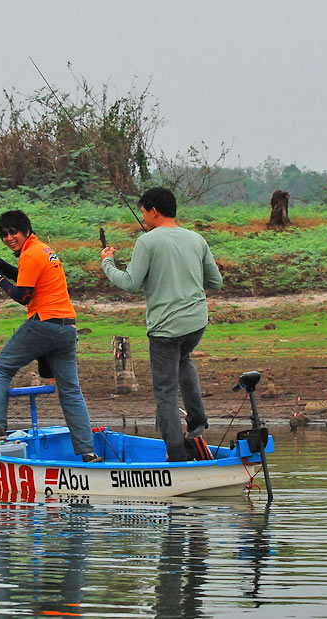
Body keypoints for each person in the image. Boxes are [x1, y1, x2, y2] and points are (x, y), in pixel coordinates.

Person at [100, 187, 223, 462]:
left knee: (165, 391)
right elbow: (215, 282)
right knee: (183, 360)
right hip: (196, 324)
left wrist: (107, 263)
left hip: (165, 329)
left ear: (153, 210)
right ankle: (198, 422)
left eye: (144, 213)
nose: (143, 218)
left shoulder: (148, 242)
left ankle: (177, 454)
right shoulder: (196, 239)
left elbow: (130, 283)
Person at [0, 210, 101, 463]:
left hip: (43, 323)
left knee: (1, 368)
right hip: (68, 326)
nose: (9, 237)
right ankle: (88, 452)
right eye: (4, 235)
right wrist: (2, 266)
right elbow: (28, 279)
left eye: (13, 232)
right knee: (71, 391)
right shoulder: (43, 250)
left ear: (26, 231)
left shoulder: (31, 254)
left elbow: (23, 296)